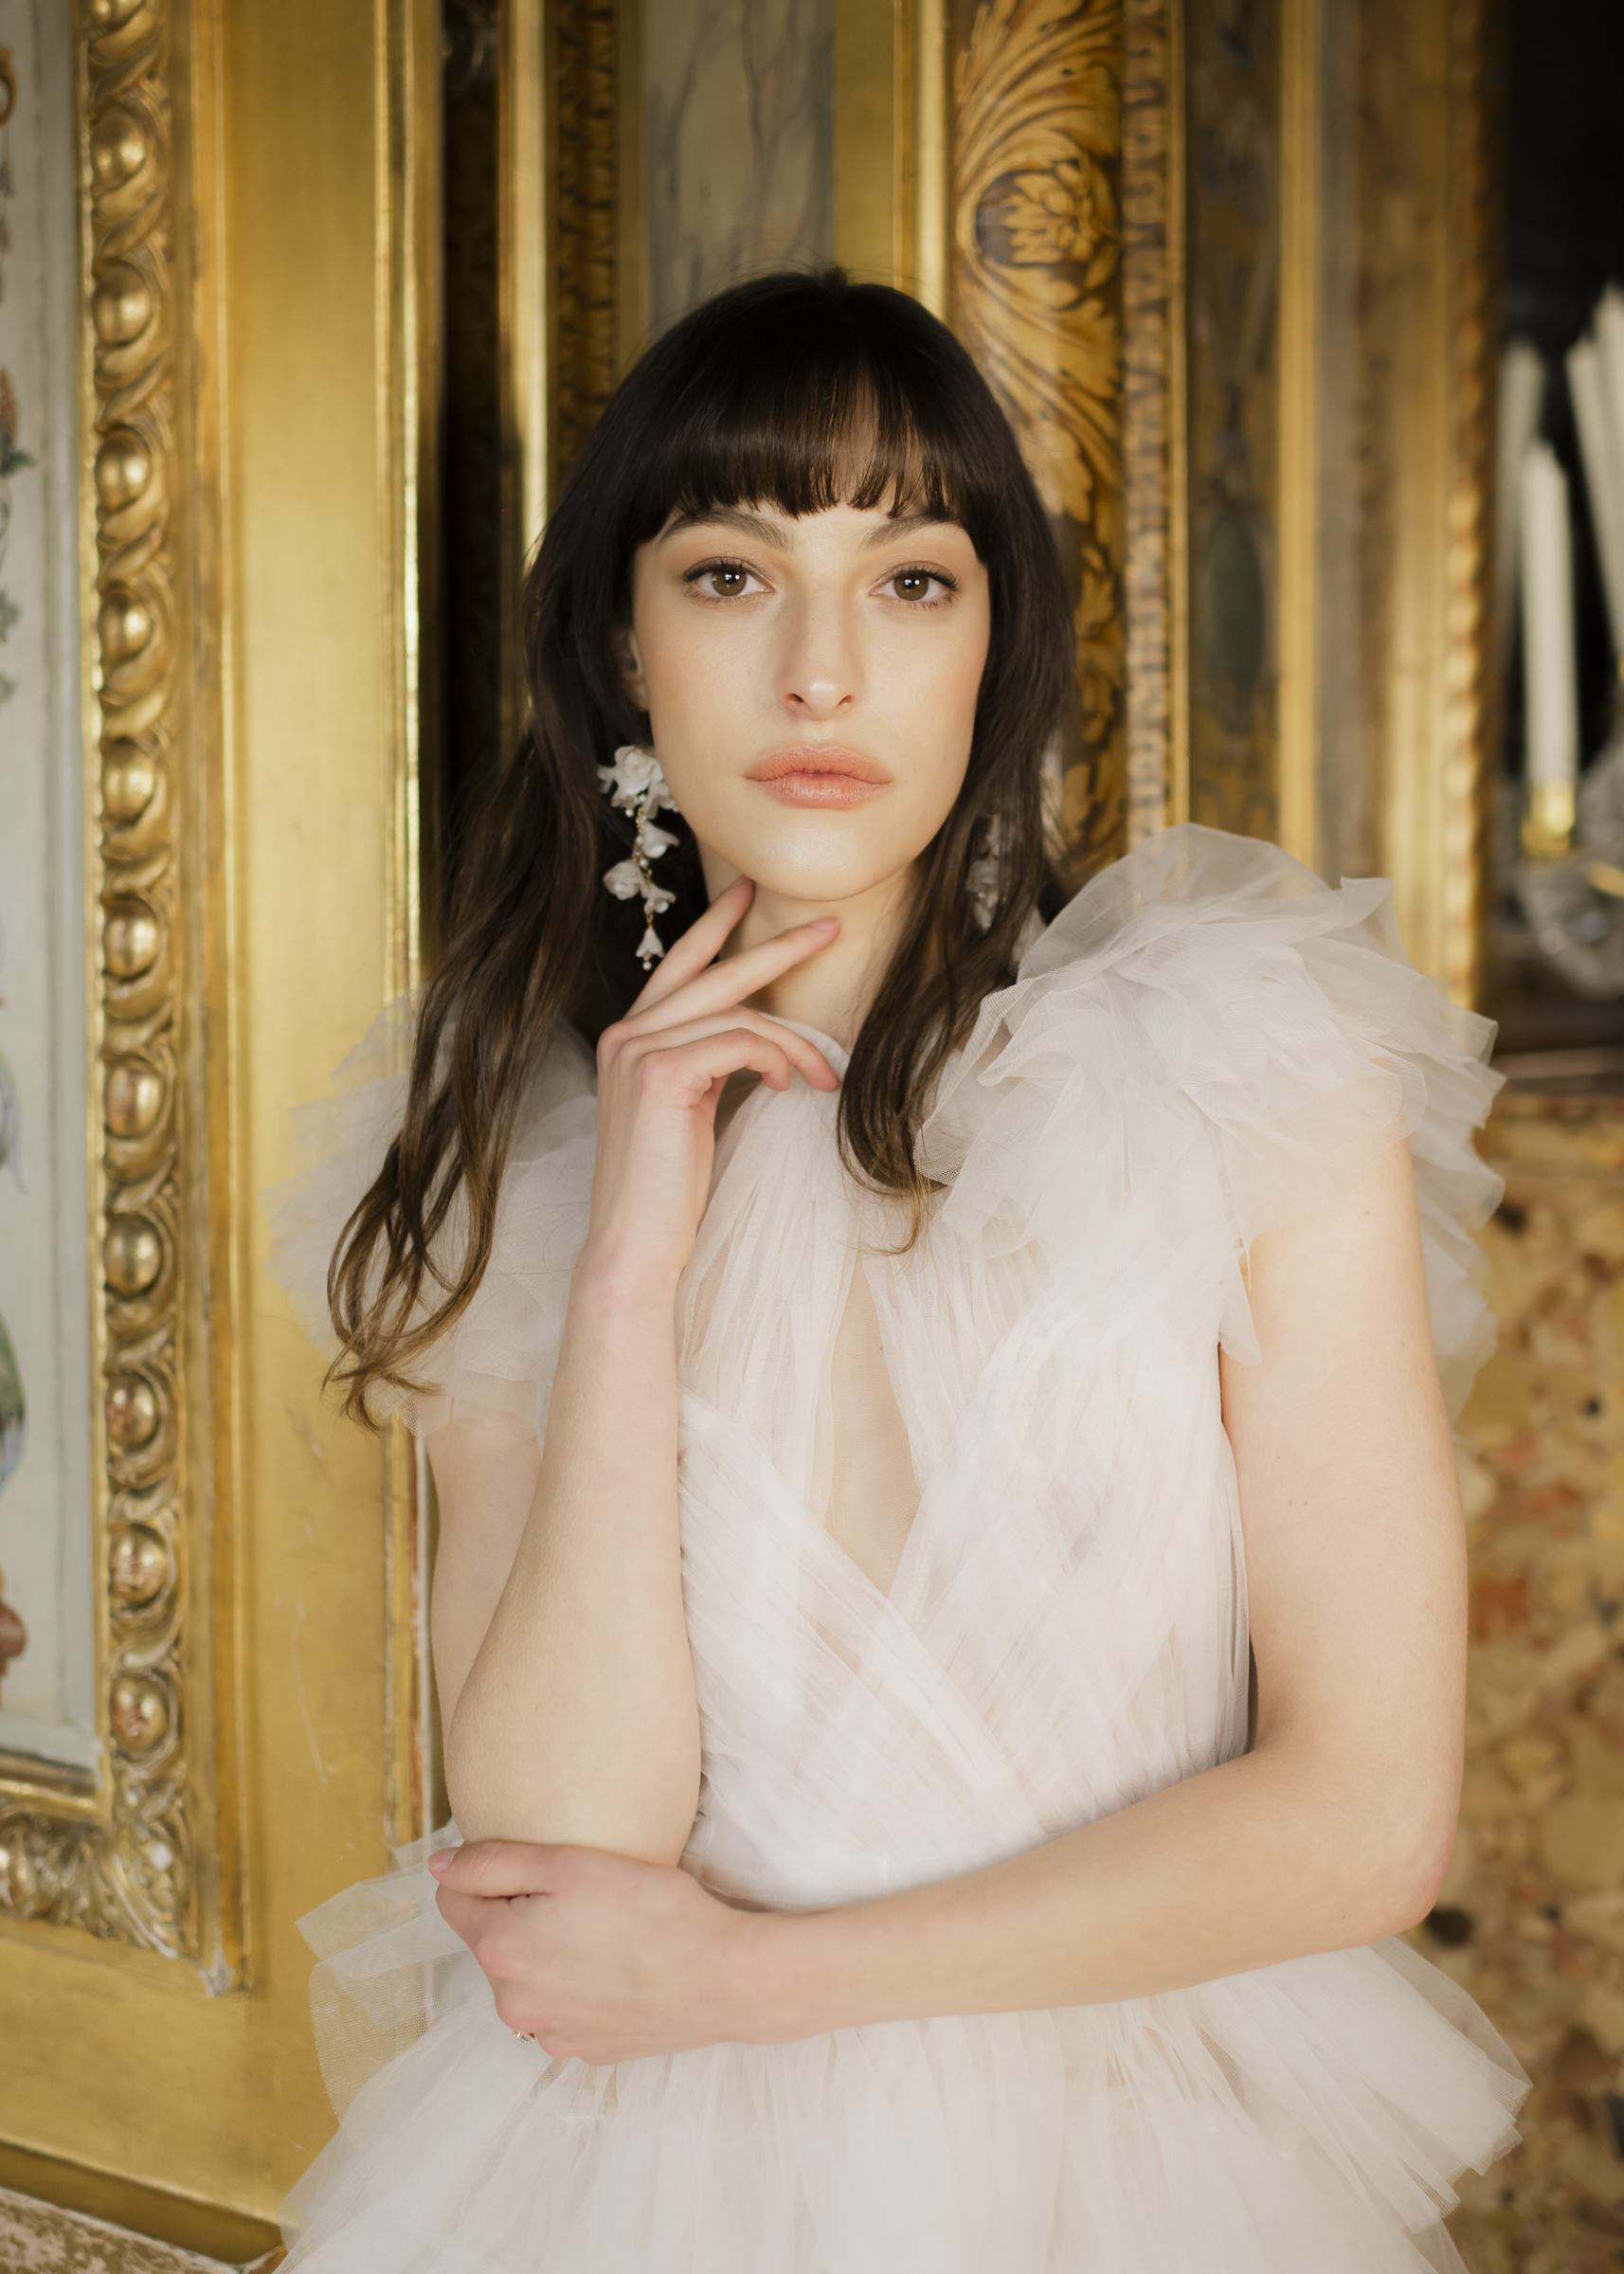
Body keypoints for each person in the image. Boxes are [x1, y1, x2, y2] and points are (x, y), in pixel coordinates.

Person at [266, 269, 1526, 2271]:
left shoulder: (1235, 1075)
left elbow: (1364, 1821)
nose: (821, 674)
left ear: (987, 642)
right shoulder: (529, 1167)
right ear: (625, 641)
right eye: (731, 575)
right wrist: (631, 1257)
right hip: (643, 2192)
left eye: (909, 581)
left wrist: (753, 1982)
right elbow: (561, 1843)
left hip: (1133, 2176)